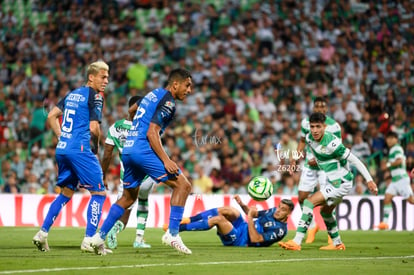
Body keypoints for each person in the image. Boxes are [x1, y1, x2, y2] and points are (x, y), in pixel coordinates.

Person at [90, 68, 193, 255]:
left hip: (128, 149)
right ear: (175, 84)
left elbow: (132, 109)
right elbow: (152, 132)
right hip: (142, 149)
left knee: (128, 197)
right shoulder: (168, 101)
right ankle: (172, 233)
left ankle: (98, 238)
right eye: (187, 85)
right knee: (183, 186)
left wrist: (134, 124)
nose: (189, 90)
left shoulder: (152, 94)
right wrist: (166, 159)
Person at [32, 61, 110, 253]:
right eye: (103, 76)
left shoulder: (73, 94)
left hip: (64, 149)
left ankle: (42, 234)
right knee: (99, 193)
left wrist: (61, 137)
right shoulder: (95, 96)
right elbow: (94, 128)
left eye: (107, 77)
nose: (106, 81)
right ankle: (90, 239)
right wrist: (96, 148)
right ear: (91, 77)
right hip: (81, 149)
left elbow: (51, 116)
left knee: (66, 192)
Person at [279, 112, 378, 251]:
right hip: (333, 182)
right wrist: (295, 160)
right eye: (312, 127)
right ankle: (337, 244)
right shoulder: (309, 138)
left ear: (324, 127)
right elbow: (319, 154)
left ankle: (297, 241)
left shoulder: (333, 143)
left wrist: (369, 180)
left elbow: (355, 160)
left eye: (318, 127)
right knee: (325, 212)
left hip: (341, 183)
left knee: (308, 202)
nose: (314, 130)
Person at [102, 95, 156, 249]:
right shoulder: (145, 127)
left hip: (127, 175)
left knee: (123, 206)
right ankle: (138, 239)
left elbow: (106, 155)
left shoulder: (115, 127)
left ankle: (112, 229)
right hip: (146, 173)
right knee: (144, 201)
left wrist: (103, 176)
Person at [293, 97, 341, 244]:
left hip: (325, 167)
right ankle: (313, 227)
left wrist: (322, 158)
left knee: (327, 200)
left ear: (326, 109)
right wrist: (296, 157)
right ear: (314, 108)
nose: (320, 108)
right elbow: (302, 141)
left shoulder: (334, 126)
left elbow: (337, 148)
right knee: (301, 197)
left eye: (322, 106)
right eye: (317, 106)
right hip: (309, 165)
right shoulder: (306, 123)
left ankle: (331, 232)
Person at [174, 195, 294, 247]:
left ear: (288, 213)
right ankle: (189, 219)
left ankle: (176, 229)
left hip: (241, 241)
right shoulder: (272, 211)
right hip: (243, 227)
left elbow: (255, 239)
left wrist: (251, 218)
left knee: (219, 220)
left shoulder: (280, 230)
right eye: (279, 207)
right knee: (230, 210)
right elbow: (249, 212)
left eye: (283, 210)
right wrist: (241, 203)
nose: (278, 211)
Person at [376, 131, 414, 230]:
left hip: (401, 179)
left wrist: (388, 165)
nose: (388, 140)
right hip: (395, 181)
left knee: (411, 200)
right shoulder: (393, 149)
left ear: (395, 139)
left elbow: (399, 160)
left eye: (391, 138)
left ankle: (385, 223)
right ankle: (385, 224)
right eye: (387, 139)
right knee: (387, 198)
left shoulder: (396, 148)